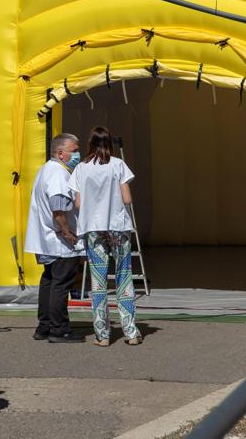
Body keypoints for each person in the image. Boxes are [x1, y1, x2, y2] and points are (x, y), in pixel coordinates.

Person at [73, 126, 141, 346]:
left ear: (90, 144)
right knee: (124, 277)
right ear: (109, 143)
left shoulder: (81, 168)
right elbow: (127, 199)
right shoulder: (118, 165)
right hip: (117, 227)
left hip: (93, 228)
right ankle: (130, 331)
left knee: (99, 282)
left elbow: (78, 203)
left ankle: (102, 334)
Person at [25, 133, 86, 343]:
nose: (78, 154)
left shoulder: (46, 170)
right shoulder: (59, 174)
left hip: (48, 239)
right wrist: (68, 232)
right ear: (61, 153)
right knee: (61, 284)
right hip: (60, 241)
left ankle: (45, 325)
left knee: (49, 282)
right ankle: (59, 329)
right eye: (74, 150)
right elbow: (58, 209)